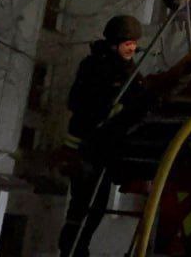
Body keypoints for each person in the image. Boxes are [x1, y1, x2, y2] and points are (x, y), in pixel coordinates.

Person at [58, 14, 150, 257]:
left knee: (95, 207)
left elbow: (138, 97)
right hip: (85, 150)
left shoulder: (128, 69)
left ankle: (76, 249)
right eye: (127, 43)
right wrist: (107, 108)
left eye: (134, 43)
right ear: (113, 44)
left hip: (103, 151)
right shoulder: (94, 67)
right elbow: (76, 101)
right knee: (85, 206)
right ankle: (71, 250)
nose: (132, 48)